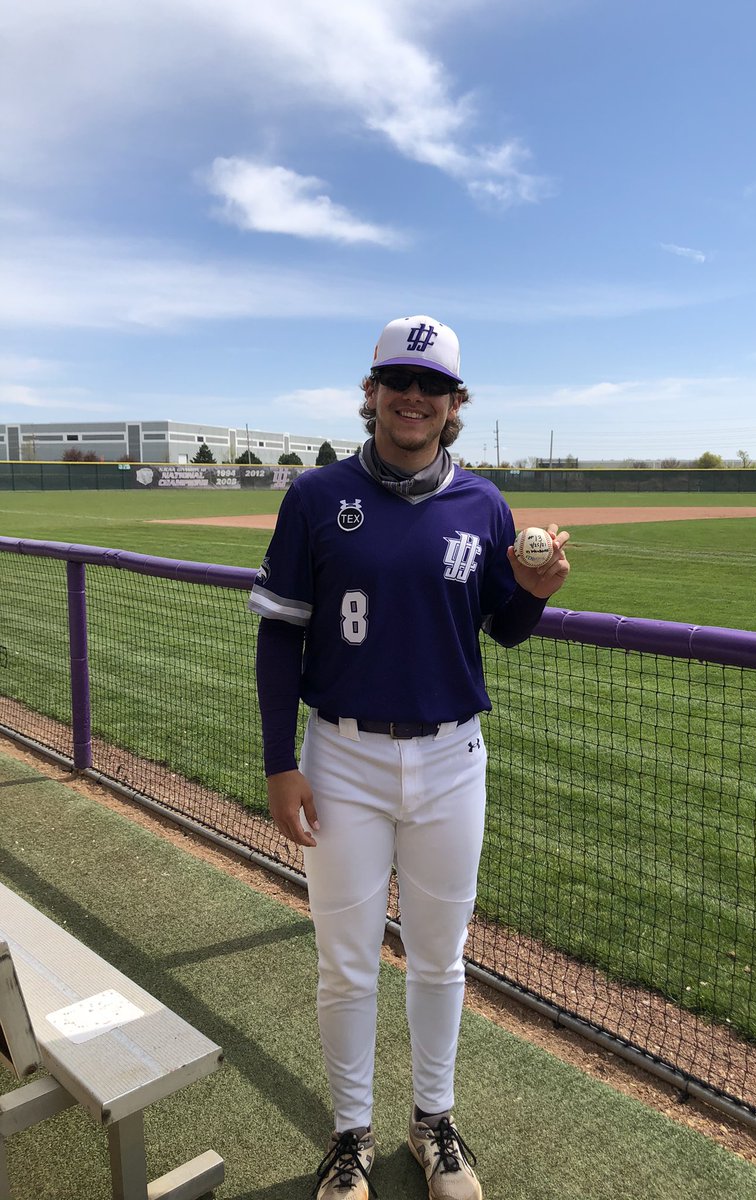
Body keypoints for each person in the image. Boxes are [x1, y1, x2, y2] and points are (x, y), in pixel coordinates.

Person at [249, 315, 570, 1200]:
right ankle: (350, 1136)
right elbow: (280, 638)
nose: (414, 397)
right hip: (341, 759)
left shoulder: (485, 505)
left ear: (456, 403)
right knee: (345, 962)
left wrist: (535, 594)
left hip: (452, 759)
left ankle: (434, 1125)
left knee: (439, 958)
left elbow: (504, 628)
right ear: (372, 392)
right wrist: (279, 763)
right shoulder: (317, 496)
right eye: (399, 380)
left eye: (433, 385)